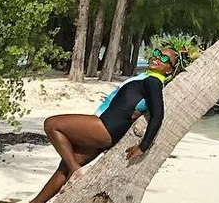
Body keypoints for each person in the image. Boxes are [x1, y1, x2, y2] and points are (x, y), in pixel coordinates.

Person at [29, 46, 179, 203]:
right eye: (156, 53)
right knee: (64, 166)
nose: (157, 57)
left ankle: (76, 171)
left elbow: (158, 115)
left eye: (164, 59)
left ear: (169, 70)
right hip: (107, 131)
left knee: (51, 124)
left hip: (105, 128)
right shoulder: (146, 78)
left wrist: (143, 147)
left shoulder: (153, 81)